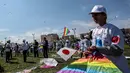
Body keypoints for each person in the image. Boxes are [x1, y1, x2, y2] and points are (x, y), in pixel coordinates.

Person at [86, 5, 130, 73]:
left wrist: (97, 49)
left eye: (96, 14)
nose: (93, 17)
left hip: (117, 67)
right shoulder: (94, 31)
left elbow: (117, 50)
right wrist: (90, 52)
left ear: (104, 15)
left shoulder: (113, 29)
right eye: (92, 15)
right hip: (103, 68)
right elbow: (94, 48)